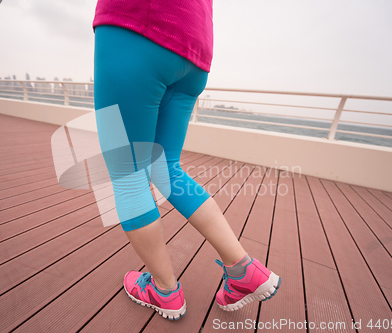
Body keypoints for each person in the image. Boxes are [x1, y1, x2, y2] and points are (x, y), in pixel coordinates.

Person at [92, 0, 281, 320]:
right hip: (194, 45)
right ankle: (243, 271)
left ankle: (164, 291)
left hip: (136, 24)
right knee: (165, 169)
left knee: (129, 173)